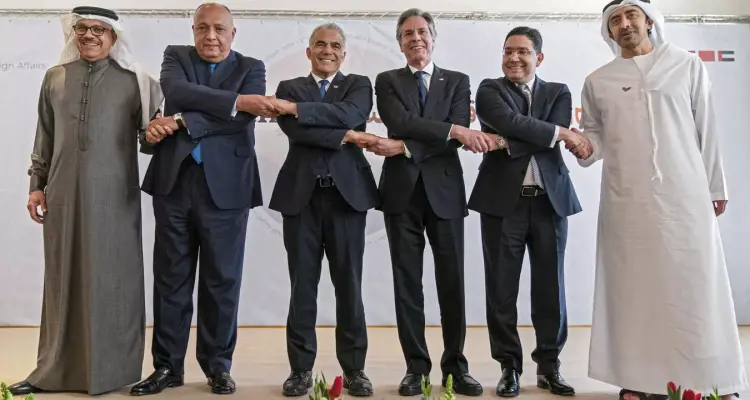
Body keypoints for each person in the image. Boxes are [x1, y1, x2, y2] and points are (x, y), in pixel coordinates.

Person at [573, 1, 746, 399]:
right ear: (609, 32)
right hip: (627, 200)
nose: (624, 24)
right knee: (635, 290)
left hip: (686, 196)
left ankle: (715, 381)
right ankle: (640, 381)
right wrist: (584, 147)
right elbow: (596, 137)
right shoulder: (598, 80)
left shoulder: (686, 64)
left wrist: (715, 187)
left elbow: (707, 127)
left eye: (631, 15)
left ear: (649, 20)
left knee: (696, 288)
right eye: (615, 20)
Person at [8, 6, 162, 396]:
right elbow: (44, 135)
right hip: (62, 196)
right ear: (72, 32)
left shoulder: (136, 82)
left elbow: (148, 143)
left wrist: (156, 131)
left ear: (113, 37)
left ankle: (112, 372)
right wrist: (36, 185)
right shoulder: (55, 78)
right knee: (62, 280)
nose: (89, 35)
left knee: (113, 280)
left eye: (98, 29)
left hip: (115, 199)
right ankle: (51, 370)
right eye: (82, 28)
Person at [131, 2, 274, 396]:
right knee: (170, 279)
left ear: (233, 33)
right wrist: (234, 101)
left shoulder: (252, 67)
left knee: (221, 281)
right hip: (174, 183)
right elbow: (177, 91)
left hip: (227, 189)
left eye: (219, 29)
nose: (211, 36)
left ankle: (217, 367)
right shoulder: (176, 57)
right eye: (203, 28)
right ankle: (167, 367)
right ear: (193, 30)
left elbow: (242, 119)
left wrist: (181, 119)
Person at [365, 8, 493, 397]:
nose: (416, 38)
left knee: (452, 283)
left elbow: (453, 137)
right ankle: (416, 368)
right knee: (408, 284)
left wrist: (406, 147)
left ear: (433, 38)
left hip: (445, 193)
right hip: (401, 194)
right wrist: (451, 130)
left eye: (422, 31)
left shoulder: (457, 81)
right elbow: (400, 122)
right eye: (407, 33)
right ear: (400, 42)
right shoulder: (387, 80)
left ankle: (456, 366)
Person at [267, 23, 379, 398]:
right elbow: (297, 132)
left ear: (343, 53)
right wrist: (346, 135)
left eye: (334, 45)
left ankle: (355, 369)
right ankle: (300, 369)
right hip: (301, 198)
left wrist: (302, 111)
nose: (327, 50)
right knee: (303, 288)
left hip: (347, 200)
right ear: (309, 51)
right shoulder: (289, 87)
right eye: (320, 44)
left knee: (349, 286)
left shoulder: (359, 84)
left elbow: (351, 113)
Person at [471, 26, 584, 397]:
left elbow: (522, 131)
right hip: (503, 203)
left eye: (522, 51)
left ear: (539, 57)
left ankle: (549, 368)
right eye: (508, 51)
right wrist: (556, 134)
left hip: (550, 202)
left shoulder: (559, 91)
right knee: (501, 290)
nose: (514, 58)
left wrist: (508, 141)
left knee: (551, 289)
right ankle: (509, 367)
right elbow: (510, 123)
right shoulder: (489, 89)